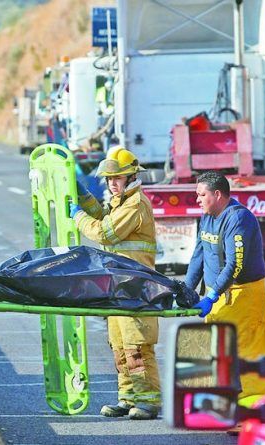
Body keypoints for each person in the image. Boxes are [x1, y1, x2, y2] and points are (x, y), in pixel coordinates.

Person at [68, 147, 161, 420]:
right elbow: (102, 216)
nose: (112, 183)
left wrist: (77, 216)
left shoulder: (135, 205)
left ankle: (148, 401)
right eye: (109, 179)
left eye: (117, 178)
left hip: (136, 287)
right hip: (119, 286)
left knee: (138, 346)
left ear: (132, 176)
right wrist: (84, 198)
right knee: (120, 346)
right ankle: (128, 398)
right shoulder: (121, 203)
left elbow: (105, 232)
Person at [185, 171, 265, 407]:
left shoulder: (238, 218)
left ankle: (251, 407)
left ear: (217, 194)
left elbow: (235, 264)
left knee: (244, 350)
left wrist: (212, 295)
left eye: (201, 194)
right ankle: (216, 403)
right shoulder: (207, 216)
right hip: (219, 295)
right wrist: (187, 290)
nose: (197, 199)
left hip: (244, 294)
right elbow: (199, 254)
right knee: (215, 349)